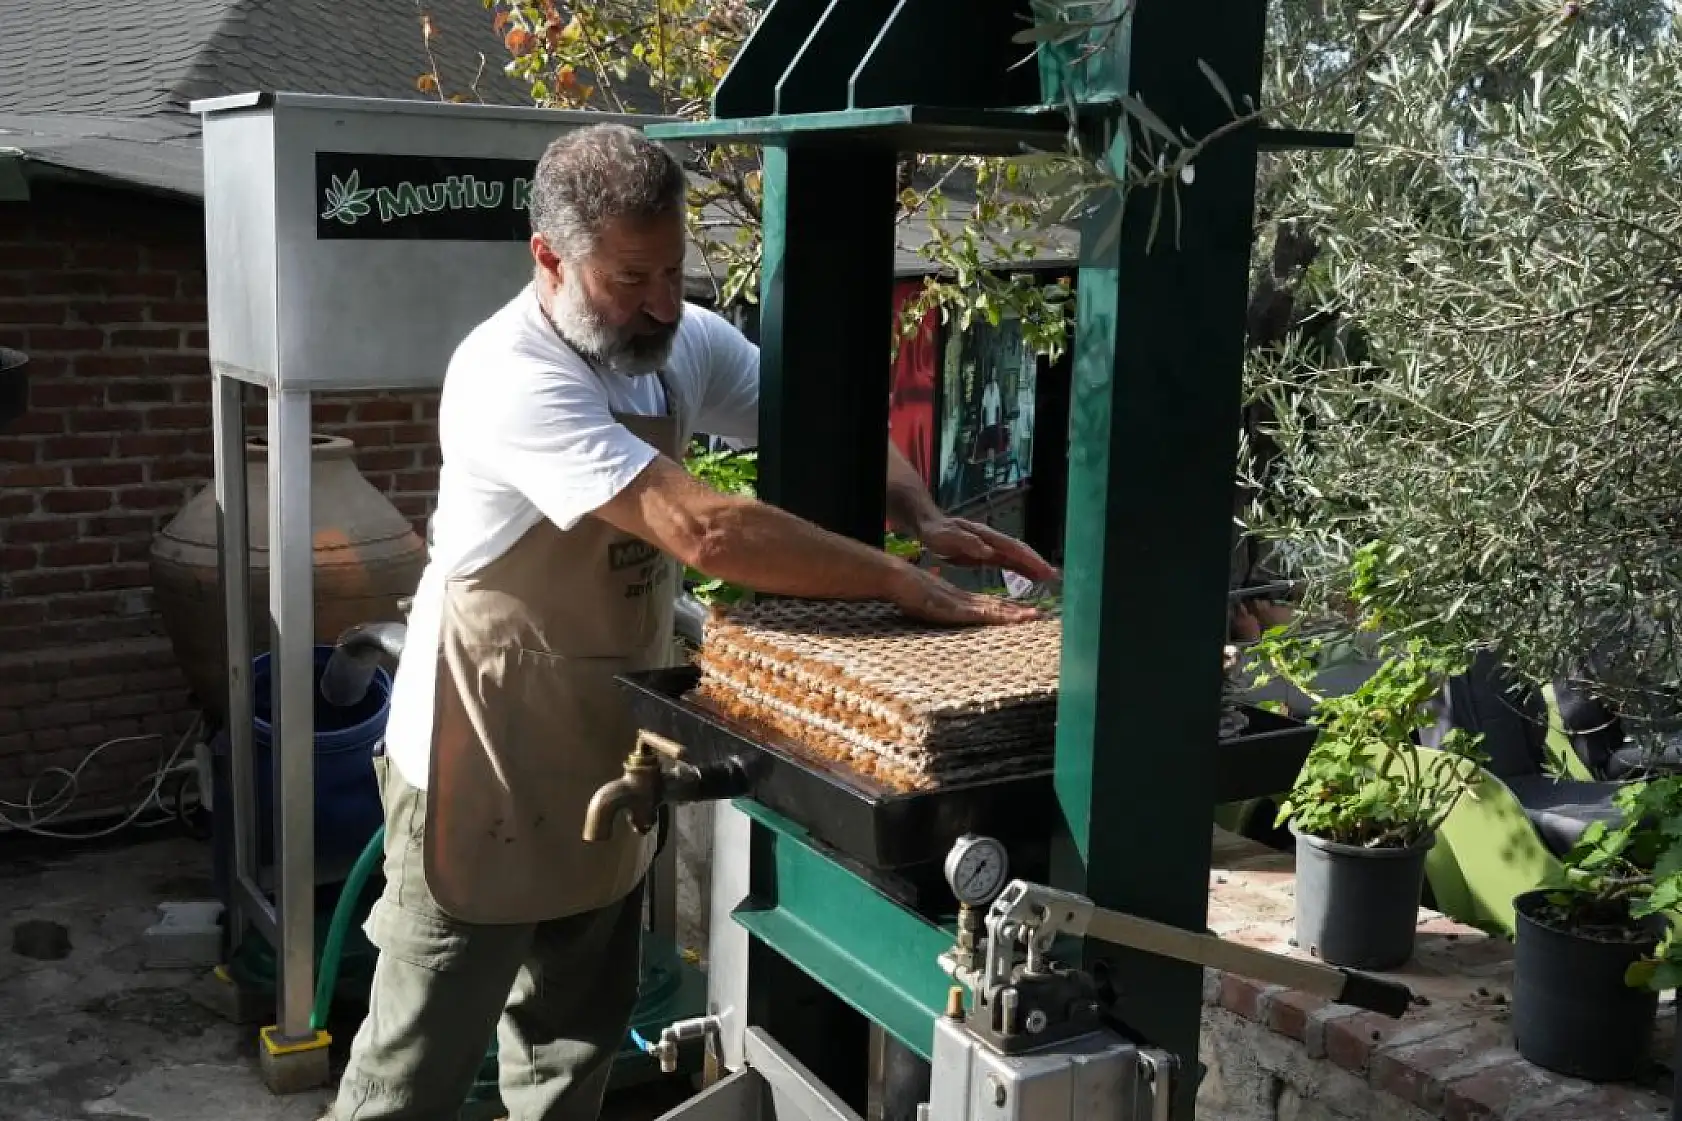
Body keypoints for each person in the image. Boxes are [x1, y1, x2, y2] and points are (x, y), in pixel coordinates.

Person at [325, 123, 1058, 1121]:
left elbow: (823, 415)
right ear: (549, 258)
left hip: (598, 756)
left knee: (569, 1059)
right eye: (630, 279)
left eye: (673, 270)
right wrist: (900, 582)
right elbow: (701, 527)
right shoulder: (510, 373)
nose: (664, 302)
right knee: (407, 1080)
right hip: (477, 761)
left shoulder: (678, 349)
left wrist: (915, 508)